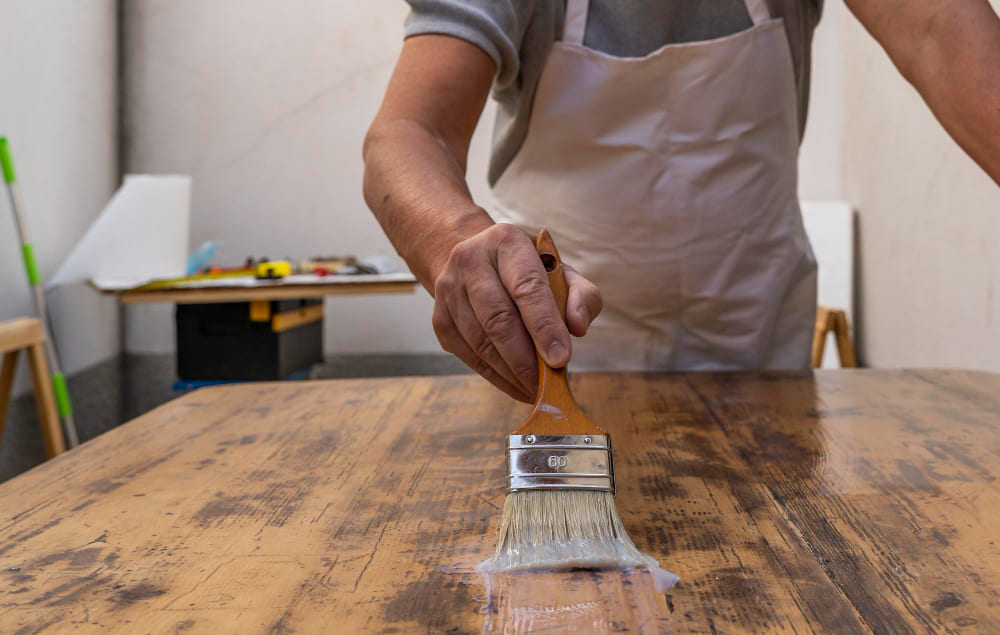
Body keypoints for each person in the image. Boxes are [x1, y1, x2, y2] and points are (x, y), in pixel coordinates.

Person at [363, 0, 1000, 403]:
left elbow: (939, 29)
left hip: (761, 366)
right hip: (552, 370)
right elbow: (407, 133)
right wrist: (452, 239)